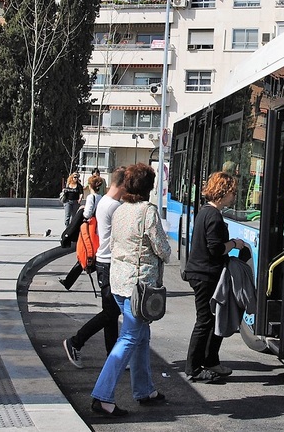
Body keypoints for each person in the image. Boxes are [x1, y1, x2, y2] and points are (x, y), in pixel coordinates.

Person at [90, 163, 171, 417]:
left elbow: (113, 243)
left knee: (141, 336)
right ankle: (102, 396)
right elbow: (163, 250)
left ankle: (144, 389)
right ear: (148, 187)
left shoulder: (120, 210)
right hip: (140, 287)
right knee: (128, 338)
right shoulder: (147, 211)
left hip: (119, 282)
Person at [182, 171, 245, 383]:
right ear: (223, 192)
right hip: (204, 274)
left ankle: (210, 361)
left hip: (202, 272)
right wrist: (235, 244)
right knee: (205, 321)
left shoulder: (205, 212)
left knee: (212, 319)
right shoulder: (214, 216)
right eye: (232, 193)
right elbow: (216, 249)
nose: (234, 197)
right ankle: (193, 368)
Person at [63, 167, 126, 369]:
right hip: (109, 263)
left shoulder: (105, 201)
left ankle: (112, 356)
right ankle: (76, 341)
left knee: (111, 312)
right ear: (123, 184)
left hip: (103, 262)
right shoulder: (114, 206)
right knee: (111, 312)